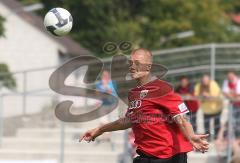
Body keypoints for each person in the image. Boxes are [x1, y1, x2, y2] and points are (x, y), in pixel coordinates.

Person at [80, 48, 209, 163]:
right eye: (130, 63)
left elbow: (181, 117)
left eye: (137, 63)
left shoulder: (162, 88)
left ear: (148, 67)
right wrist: (100, 129)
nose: (132, 66)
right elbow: (129, 120)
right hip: (146, 155)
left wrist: (191, 136)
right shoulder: (134, 93)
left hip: (169, 157)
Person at [194, 75, 222, 140]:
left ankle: (216, 136)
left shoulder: (213, 84)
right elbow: (195, 95)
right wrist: (202, 95)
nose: (205, 82)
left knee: (216, 123)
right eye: (203, 81)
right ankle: (208, 137)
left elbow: (216, 95)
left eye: (206, 80)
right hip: (206, 109)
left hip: (216, 108)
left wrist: (207, 95)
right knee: (206, 124)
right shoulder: (199, 86)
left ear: (209, 80)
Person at [222, 71, 240, 139]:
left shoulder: (238, 82)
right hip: (232, 105)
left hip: (237, 104)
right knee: (232, 122)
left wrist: (230, 94)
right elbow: (225, 93)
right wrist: (233, 96)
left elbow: (238, 95)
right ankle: (234, 139)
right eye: (229, 76)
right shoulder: (226, 82)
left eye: (231, 76)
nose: (230, 77)